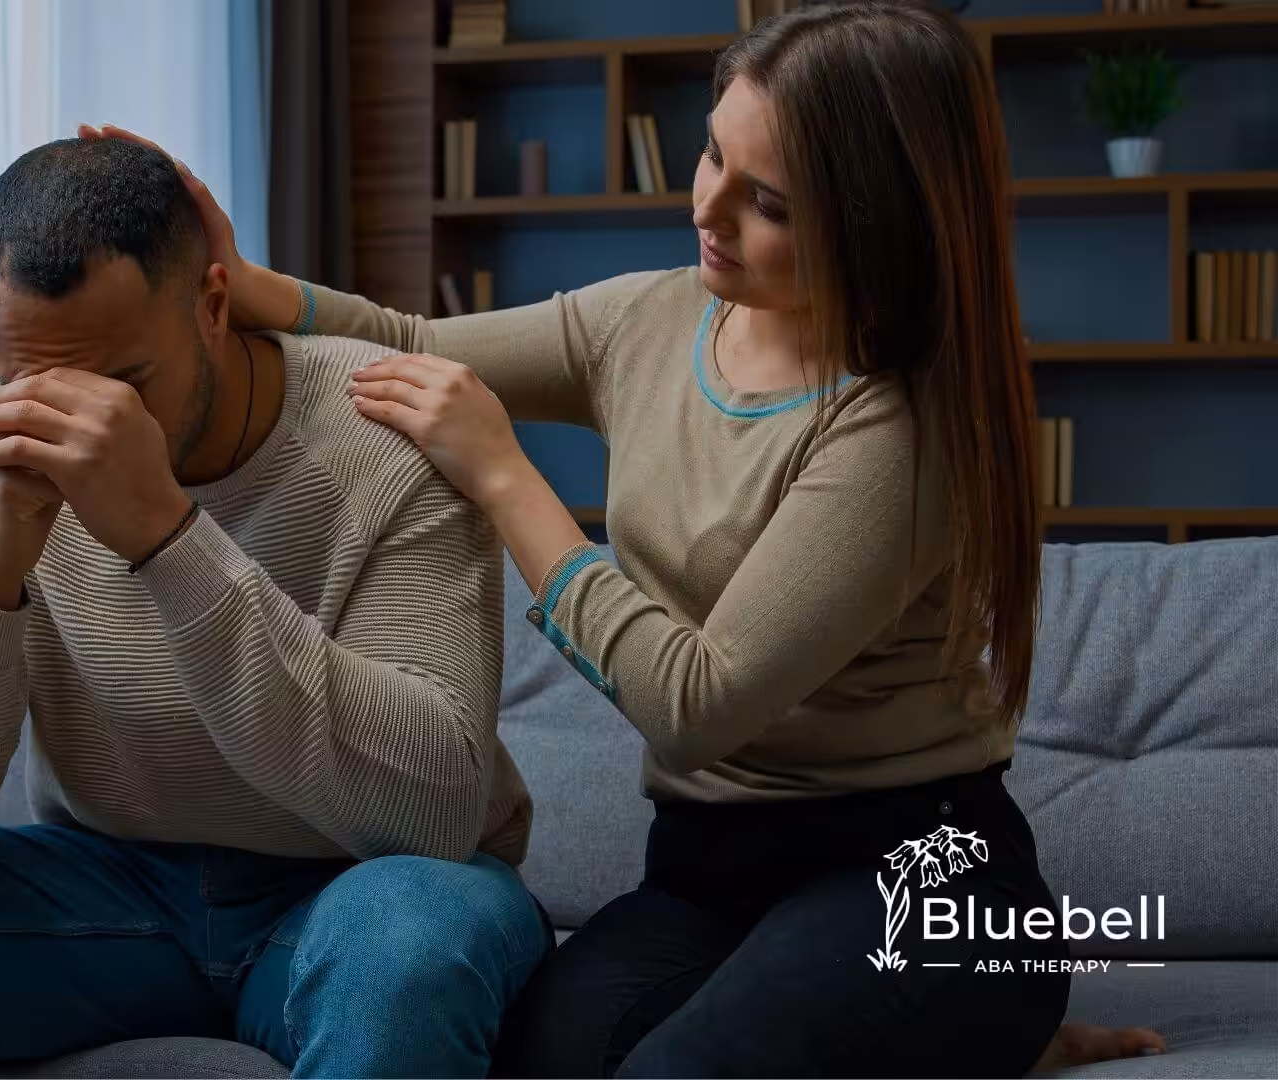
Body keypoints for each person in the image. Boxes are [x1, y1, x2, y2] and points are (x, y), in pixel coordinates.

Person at [88, 2, 1169, 1076]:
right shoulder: (651, 321)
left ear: (879, 221)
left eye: (769, 204)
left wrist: (507, 475)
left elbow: (696, 707)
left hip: (920, 869)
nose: (709, 207)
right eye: (711, 155)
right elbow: (414, 345)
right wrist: (230, 278)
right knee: (530, 1058)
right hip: (708, 871)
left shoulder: (896, 427)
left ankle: (989, 1010)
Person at [0, 137, 547, 1079]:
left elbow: (426, 811)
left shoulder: (389, 433)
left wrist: (168, 538)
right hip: (108, 891)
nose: (81, 418)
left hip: (357, 887)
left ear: (213, 306)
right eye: (31, 380)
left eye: (125, 382)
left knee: (408, 944)